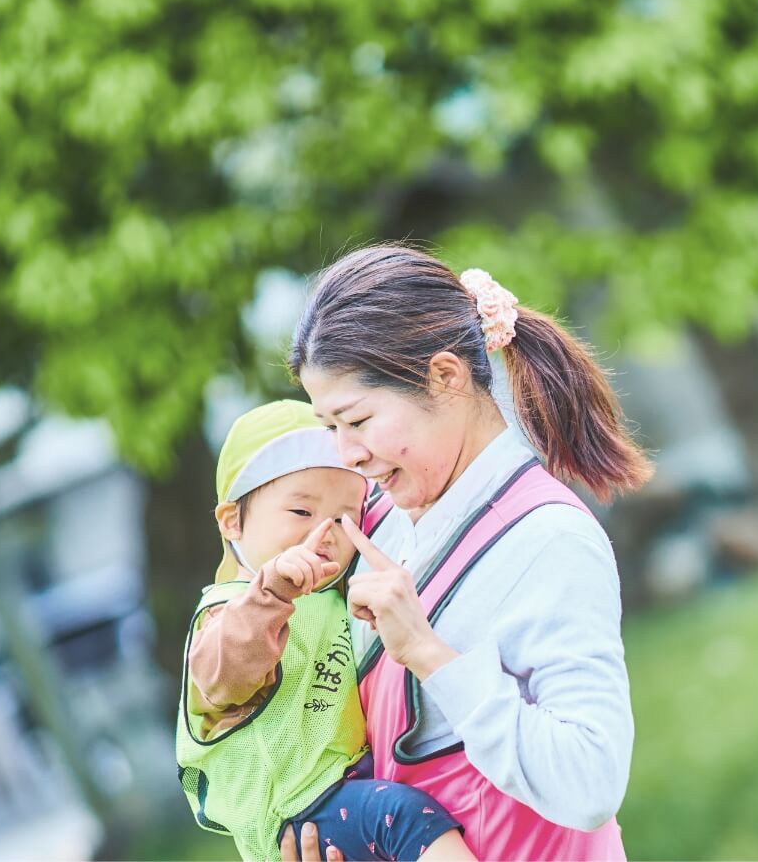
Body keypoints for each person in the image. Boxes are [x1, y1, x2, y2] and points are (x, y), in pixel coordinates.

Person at [279, 245, 651, 861]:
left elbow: (591, 782)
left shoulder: (548, 538)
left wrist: (427, 652)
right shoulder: (380, 519)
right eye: (329, 427)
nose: (346, 453)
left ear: (446, 377)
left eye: (359, 420)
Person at [175, 400, 475, 862]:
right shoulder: (229, 610)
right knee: (404, 817)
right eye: (300, 512)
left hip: (345, 787)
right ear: (232, 520)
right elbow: (222, 675)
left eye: (341, 519)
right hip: (297, 813)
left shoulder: (330, 593)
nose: (323, 533)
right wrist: (271, 591)